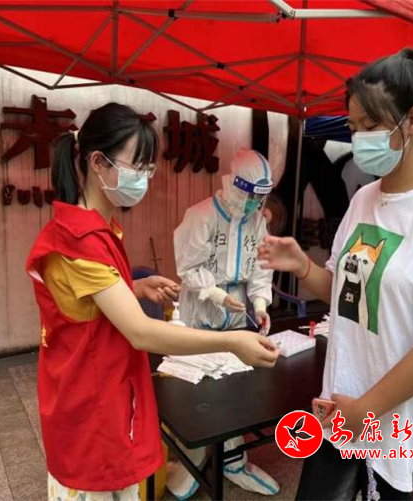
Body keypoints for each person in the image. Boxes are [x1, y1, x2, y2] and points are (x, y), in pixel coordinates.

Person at [259, 48, 413, 501]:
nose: (360, 138)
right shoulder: (364, 199)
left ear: (412, 120)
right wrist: (302, 266)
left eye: (371, 126)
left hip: (405, 421)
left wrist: (366, 411)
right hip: (344, 401)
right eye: (353, 127)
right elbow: (345, 293)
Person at [25, 103, 279, 501]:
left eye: (148, 169)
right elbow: (141, 331)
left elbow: (90, 298)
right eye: (137, 167)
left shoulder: (98, 229)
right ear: (97, 162)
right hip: (91, 401)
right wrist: (232, 341)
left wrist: (135, 287)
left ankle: (225, 462)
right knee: (100, 483)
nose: (144, 179)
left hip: (108, 385)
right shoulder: (78, 241)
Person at [167, 148, 279, 498]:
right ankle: (194, 459)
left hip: (236, 311)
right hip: (201, 310)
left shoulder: (257, 221)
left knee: (234, 386)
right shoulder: (201, 216)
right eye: (250, 196)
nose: (254, 204)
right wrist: (215, 294)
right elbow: (187, 268)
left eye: (260, 198)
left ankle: (233, 461)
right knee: (198, 390)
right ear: (234, 185)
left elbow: (261, 267)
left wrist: (259, 304)